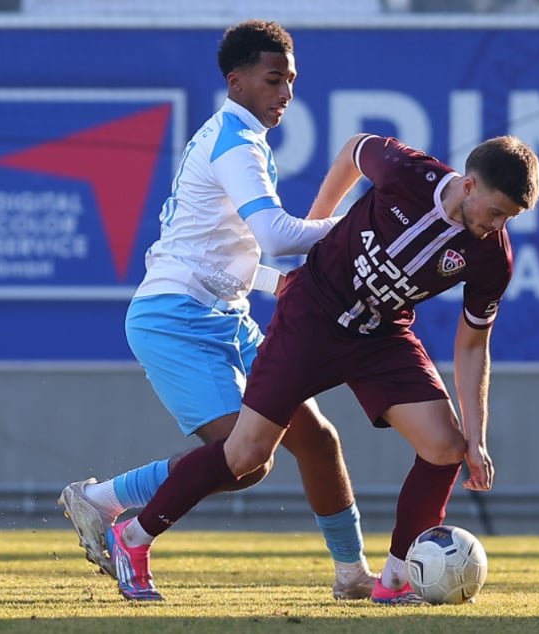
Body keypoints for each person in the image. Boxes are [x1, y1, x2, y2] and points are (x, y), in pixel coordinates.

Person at [100, 132, 539, 604]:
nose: (498, 225)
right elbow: (356, 148)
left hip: (380, 336)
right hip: (311, 317)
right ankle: (133, 539)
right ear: (469, 186)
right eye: (496, 212)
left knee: (445, 447)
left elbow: (473, 345)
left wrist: (477, 439)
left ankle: (394, 582)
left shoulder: (493, 256)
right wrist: (318, 220)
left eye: (509, 218)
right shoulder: (408, 172)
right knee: (245, 454)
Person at [57, 19, 374, 602]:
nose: (286, 93)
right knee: (244, 461)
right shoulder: (235, 142)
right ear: (236, 81)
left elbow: (213, 246)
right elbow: (276, 236)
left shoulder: (237, 138)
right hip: (174, 318)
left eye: (292, 80)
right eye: (273, 78)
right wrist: (358, 227)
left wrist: (270, 282)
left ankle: (353, 575)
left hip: (223, 315)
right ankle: (114, 513)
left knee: (317, 440)